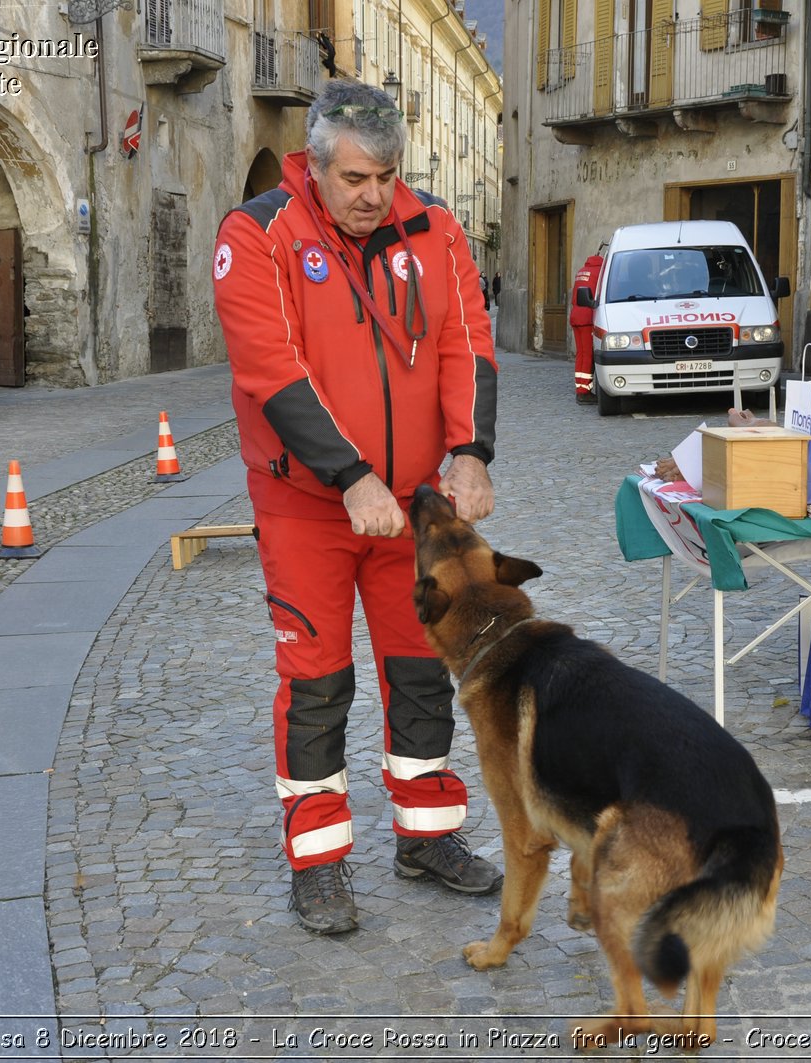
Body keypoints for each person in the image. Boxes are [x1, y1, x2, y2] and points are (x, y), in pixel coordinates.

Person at [213, 80, 502, 935]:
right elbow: (272, 371)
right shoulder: (257, 234)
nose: (374, 195)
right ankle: (318, 860)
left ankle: (427, 835)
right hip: (309, 504)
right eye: (354, 179)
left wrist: (472, 452)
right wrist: (350, 476)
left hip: (412, 508)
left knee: (422, 669)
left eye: (387, 175)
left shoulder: (437, 229)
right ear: (312, 163)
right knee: (317, 683)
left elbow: (466, 342)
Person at [569, 251, 604, 403]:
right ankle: (584, 392)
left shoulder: (582, 271)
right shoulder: (600, 272)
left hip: (576, 314)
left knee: (581, 353)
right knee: (588, 354)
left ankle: (580, 388)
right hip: (587, 316)